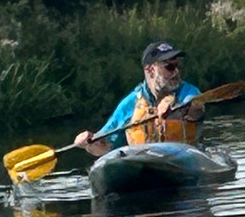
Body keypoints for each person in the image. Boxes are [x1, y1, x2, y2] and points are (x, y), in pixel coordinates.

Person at [75, 41, 205, 157]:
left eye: (177, 66)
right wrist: (89, 143)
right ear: (150, 70)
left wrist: (171, 104)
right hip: (145, 163)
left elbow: (197, 109)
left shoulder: (189, 92)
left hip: (184, 158)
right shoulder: (130, 104)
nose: (176, 72)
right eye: (169, 67)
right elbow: (105, 147)